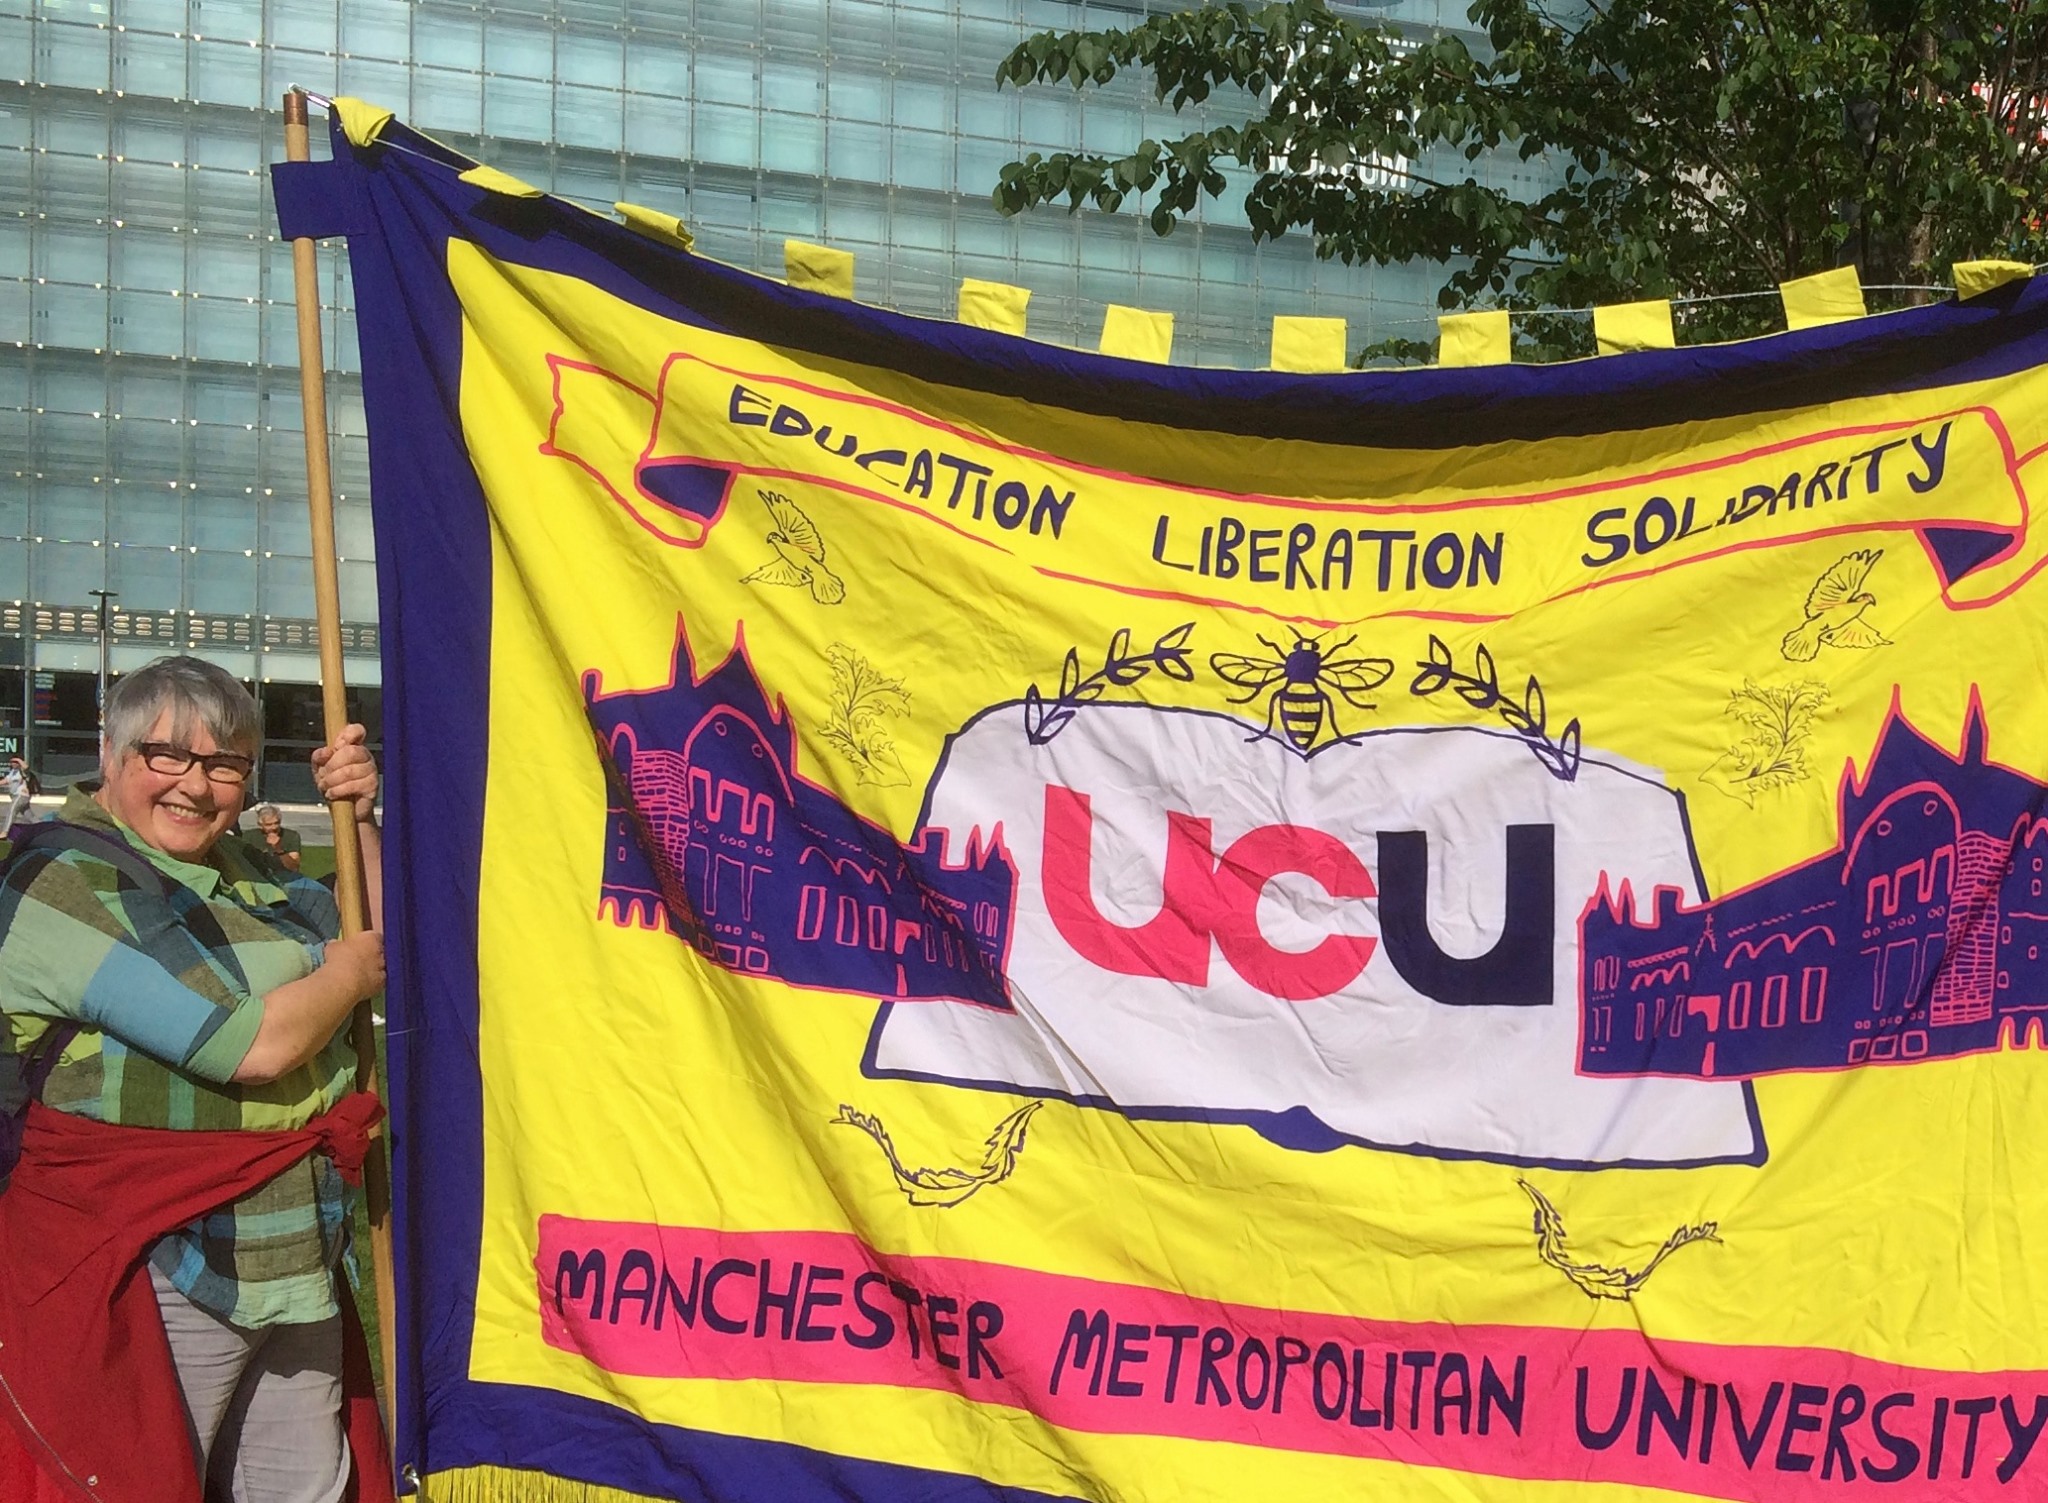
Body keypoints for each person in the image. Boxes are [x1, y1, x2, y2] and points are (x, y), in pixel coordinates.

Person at [0, 655, 388, 1503]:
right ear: (111, 754)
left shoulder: (245, 868)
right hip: (152, 1265)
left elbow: (373, 924)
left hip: (295, 1255)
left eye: (223, 764)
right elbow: (242, 1042)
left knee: (306, 1491)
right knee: (147, 1482)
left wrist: (355, 817)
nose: (195, 784)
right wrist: (346, 974)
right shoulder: (59, 882)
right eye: (165, 754)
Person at [248, 801, 304, 872]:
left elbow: (293, 867)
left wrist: (278, 849)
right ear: (260, 825)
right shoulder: (250, 836)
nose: (274, 827)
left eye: (276, 823)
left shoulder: (291, 836)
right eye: (268, 825)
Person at [0, 754, 36, 840]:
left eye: (15, 762)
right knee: (30, 817)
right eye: (12, 762)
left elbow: (26, 767)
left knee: (11, 811)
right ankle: (44, 827)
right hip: (14, 796)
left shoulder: (23, 771)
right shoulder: (13, 772)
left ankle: (4, 832)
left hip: (21, 796)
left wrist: (18, 759)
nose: (13, 763)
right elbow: (5, 781)